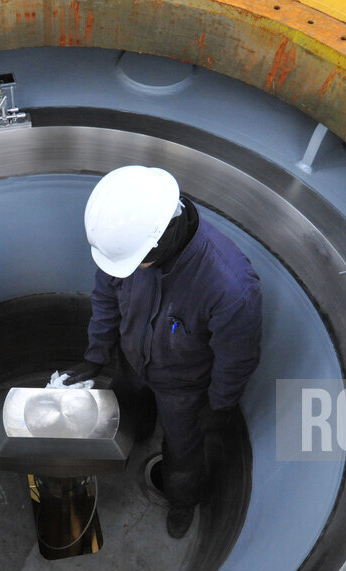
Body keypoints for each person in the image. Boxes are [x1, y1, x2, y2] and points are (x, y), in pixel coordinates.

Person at [64, 166, 262, 539]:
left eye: (139, 262)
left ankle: (183, 499)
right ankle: (136, 436)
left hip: (183, 389)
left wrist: (219, 405)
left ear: (165, 237)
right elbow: (107, 298)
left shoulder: (230, 288)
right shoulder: (129, 244)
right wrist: (96, 355)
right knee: (132, 413)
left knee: (184, 453)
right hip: (131, 363)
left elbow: (237, 359)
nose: (133, 271)